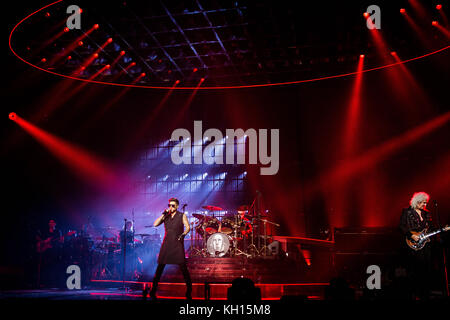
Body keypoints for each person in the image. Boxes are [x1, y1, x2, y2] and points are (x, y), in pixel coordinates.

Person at [148, 198, 192, 299]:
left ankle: (189, 291)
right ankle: (153, 291)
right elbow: (155, 224)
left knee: (183, 268)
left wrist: (183, 234)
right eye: (169, 205)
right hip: (167, 244)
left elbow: (188, 227)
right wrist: (163, 214)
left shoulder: (182, 215)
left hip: (177, 243)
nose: (170, 207)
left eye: (173, 205)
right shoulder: (166, 216)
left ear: (177, 206)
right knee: (159, 268)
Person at [399, 191, 433, 299]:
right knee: (414, 269)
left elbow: (430, 228)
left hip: (425, 244)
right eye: (423, 203)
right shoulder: (407, 211)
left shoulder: (426, 213)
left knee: (426, 269)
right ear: (417, 202)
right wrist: (411, 235)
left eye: (426, 203)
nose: (425, 205)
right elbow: (401, 226)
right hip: (412, 244)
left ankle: (425, 293)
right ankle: (413, 293)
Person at [36, 219, 63, 288]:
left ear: (55, 224)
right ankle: (44, 283)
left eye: (52, 222)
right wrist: (45, 241)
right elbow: (40, 239)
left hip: (54, 251)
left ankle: (53, 283)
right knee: (45, 266)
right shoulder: (45, 231)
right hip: (46, 251)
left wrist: (61, 240)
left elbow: (60, 241)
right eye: (50, 222)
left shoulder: (57, 232)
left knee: (53, 266)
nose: (50, 223)